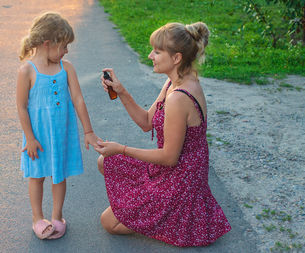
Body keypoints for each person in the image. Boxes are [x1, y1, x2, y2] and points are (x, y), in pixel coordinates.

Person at [95, 22, 231, 247]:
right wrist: (120, 91)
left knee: (109, 222)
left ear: (176, 58)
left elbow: (169, 158)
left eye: (157, 52)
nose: (150, 55)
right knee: (105, 161)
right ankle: (145, 203)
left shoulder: (179, 97)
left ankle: (169, 217)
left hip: (180, 181)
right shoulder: (174, 82)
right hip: (169, 170)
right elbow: (146, 122)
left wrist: (121, 149)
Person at [16, 12, 100, 240]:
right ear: (47, 44)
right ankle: (37, 218)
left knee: (59, 175)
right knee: (37, 176)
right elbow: (21, 107)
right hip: (38, 138)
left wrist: (89, 131)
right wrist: (29, 138)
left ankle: (56, 216)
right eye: (63, 46)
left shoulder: (67, 68)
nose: (66, 51)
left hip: (61, 135)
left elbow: (78, 99)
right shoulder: (27, 71)